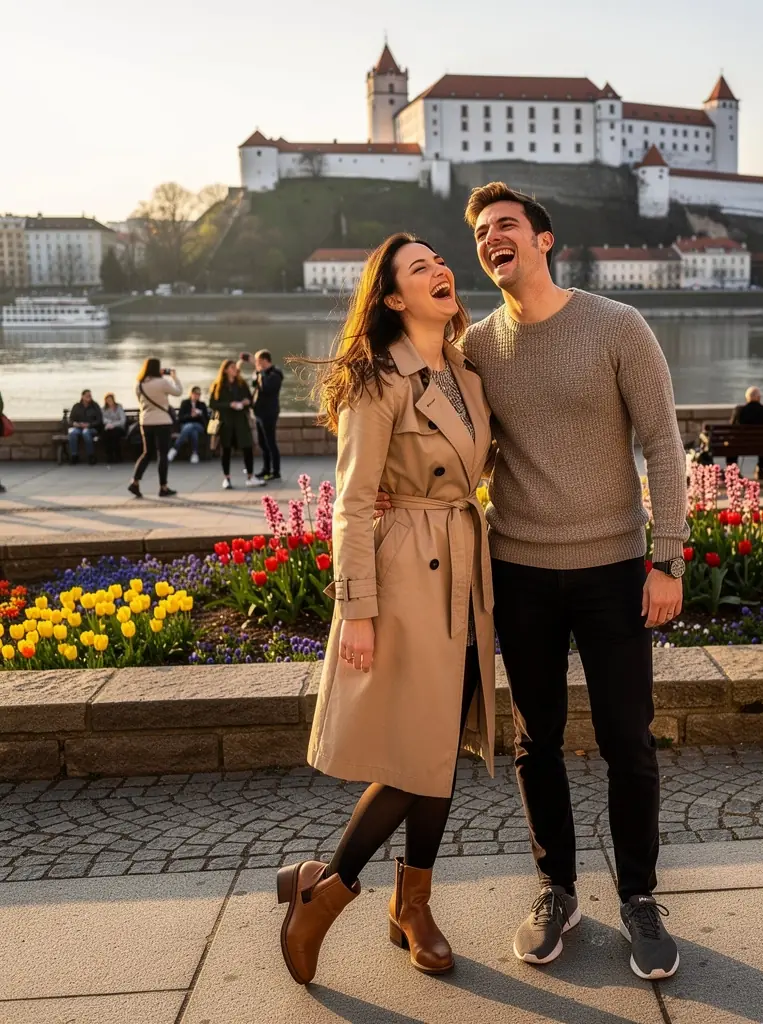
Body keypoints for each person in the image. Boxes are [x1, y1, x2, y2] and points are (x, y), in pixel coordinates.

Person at [380, 184, 689, 980]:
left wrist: (669, 558)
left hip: (616, 568)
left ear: (545, 241)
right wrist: (390, 482)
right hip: (518, 569)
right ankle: (557, 890)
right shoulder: (475, 347)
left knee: (629, 742)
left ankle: (641, 900)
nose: (490, 239)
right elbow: (427, 426)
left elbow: (662, 444)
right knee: (536, 742)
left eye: (506, 226)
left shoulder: (618, 326)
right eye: (481, 232)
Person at [278, 234, 496, 986]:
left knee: (439, 750)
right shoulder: (378, 380)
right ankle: (326, 892)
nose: (440, 270)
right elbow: (349, 504)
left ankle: (413, 903)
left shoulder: (467, 372)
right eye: (417, 268)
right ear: (394, 298)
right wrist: (359, 613)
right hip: (406, 574)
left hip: (464, 568)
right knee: (415, 751)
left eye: (440, 260)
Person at [128, 358, 181, 498]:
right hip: (162, 421)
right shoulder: (162, 382)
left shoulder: (138, 384)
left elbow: (140, 400)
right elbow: (178, 392)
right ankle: (163, 487)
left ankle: (135, 482)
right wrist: (174, 377)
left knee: (147, 453)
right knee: (162, 454)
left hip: (145, 422)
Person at [209, 360, 264, 489]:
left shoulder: (241, 383)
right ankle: (226, 478)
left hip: (241, 421)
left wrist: (246, 402)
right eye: (232, 367)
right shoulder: (218, 386)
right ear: (226, 370)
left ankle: (251, 477)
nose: (235, 370)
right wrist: (229, 405)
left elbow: (250, 400)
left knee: (247, 448)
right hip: (226, 422)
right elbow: (212, 404)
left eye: (235, 367)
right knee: (226, 450)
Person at [728, 386, 763, 479]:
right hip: (762, 444)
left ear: (747, 398)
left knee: (731, 444)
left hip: (741, 444)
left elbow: (732, 428)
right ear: (759, 398)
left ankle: (734, 471)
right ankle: (760, 469)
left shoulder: (739, 410)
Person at [251, 349, 284, 481]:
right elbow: (255, 385)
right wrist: (257, 373)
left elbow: (267, 388)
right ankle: (266, 469)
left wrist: (261, 373)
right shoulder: (261, 373)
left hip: (269, 413)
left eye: (258, 361)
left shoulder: (275, 374)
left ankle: (275, 471)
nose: (257, 364)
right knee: (262, 443)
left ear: (265, 360)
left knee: (270, 443)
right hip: (259, 413)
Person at [169, 387, 209, 464]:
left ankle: (174, 449)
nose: (197, 396)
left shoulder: (202, 405)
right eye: (195, 394)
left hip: (199, 426)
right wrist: (190, 416)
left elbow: (206, 420)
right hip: (186, 425)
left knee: (191, 426)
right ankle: (195, 453)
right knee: (192, 430)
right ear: (191, 394)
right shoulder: (185, 403)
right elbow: (180, 418)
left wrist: (200, 414)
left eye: (198, 394)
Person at [66, 389, 103, 465]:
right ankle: (74, 456)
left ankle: (91, 456)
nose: (89, 397)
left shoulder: (95, 406)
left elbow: (99, 420)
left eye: (90, 396)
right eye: (87, 396)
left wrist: (89, 425)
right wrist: (75, 424)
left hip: (92, 428)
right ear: (82, 396)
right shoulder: (76, 406)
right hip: (78, 427)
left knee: (86, 433)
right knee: (72, 433)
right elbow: (70, 420)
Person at [100, 393, 127, 464]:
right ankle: (109, 456)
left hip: (119, 428)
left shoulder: (119, 407)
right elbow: (103, 419)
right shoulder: (103, 409)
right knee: (105, 435)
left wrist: (113, 424)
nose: (109, 401)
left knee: (115, 434)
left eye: (110, 400)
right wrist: (109, 423)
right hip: (108, 427)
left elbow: (122, 420)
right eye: (107, 400)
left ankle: (118, 455)